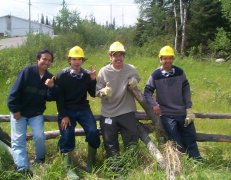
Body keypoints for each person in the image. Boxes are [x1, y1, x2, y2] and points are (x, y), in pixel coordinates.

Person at [144, 45, 202, 162]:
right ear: (160, 59)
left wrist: (189, 109)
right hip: (167, 114)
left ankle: (197, 161)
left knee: (190, 138)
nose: (167, 61)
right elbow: (147, 92)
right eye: (165, 58)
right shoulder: (155, 75)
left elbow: (186, 91)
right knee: (175, 140)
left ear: (173, 59)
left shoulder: (180, 72)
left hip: (182, 112)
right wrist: (154, 105)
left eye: (170, 58)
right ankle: (182, 163)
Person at [7, 49, 57, 175]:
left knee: (40, 136)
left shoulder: (48, 77)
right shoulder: (27, 72)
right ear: (38, 59)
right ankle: (22, 168)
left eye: (49, 60)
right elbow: (14, 93)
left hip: (36, 113)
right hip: (20, 112)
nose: (46, 62)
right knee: (18, 140)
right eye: (44, 59)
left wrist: (51, 87)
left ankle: (40, 159)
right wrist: (15, 110)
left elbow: (50, 98)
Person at [56, 46, 100, 176]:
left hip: (83, 108)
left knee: (93, 131)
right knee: (67, 132)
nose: (76, 62)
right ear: (69, 60)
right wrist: (63, 115)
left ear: (82, 60)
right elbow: (59, 98)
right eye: (73, 59)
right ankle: (68, 166)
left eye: (79, 59)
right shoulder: (62, 75)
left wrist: (93, 80)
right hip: (67, 109)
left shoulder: (87, 74)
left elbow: (92, 94)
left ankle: (91, 162)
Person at [96, 41, 140, 159]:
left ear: (124, 56)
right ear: (110, 57)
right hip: (108, 112)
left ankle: (131, 164)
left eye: (121, 55)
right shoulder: (104, 72)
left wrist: (135, 80)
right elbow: (96, 91)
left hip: (126, 110)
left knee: (132, 137)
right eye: (115, 55)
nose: (118, 58)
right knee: (110, 142)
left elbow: (137, 78)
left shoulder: (131, 69)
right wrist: (103, 92)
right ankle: (115, 169)